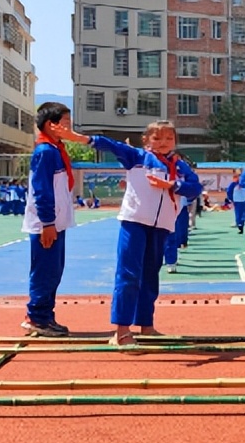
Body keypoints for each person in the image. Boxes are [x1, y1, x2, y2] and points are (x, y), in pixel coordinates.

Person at [58, 120, 202, 345]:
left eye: (168, 138)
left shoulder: (179, 166)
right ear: (146, 140)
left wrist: (172, 186)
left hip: (162, 226)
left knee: (150, 276)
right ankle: (121, 330)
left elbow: (195, 188)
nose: (163, 143)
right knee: (128, 275)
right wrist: (80, 138)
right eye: (157, 138)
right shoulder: (136, 157)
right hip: (134, 222)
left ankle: (147, 325)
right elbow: (110, 144)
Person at [20, 102, 77, 337]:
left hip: (56, 222)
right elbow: (42, 189)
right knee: (45, 271)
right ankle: (37, 317)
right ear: (50, 125)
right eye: (65, 123)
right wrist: (47, 223)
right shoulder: (45, 152)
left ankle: (45, 316)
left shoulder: (56, 150)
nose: (69, 127)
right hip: (47, 224)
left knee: (54, 271)